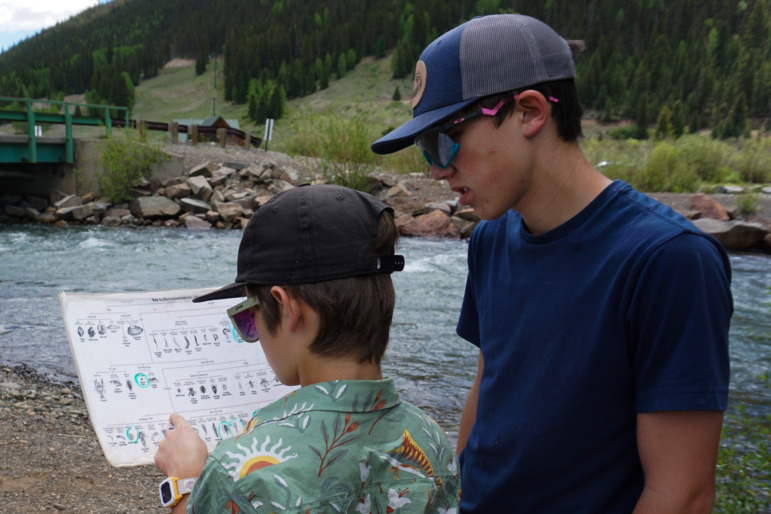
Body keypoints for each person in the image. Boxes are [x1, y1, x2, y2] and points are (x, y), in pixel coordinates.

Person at [371, 14, 732, 513]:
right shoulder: (490, 239)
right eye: (424, 148)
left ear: (530, 111)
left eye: (444, 140)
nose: (437, 169)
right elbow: (490, 380)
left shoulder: (669, 260)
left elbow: (683, 495)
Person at [154, 184, 461, 513]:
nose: (252, 330)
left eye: (247, 317)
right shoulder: (433, 441)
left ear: (287, 309)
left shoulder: (241, 474)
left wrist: (185, 485)